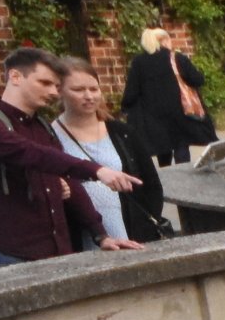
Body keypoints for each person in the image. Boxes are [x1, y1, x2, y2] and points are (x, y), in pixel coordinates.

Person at [0, 47, 143, 269]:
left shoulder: (41, 127)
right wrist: (97, 170)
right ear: (15, 76)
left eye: (57, 86)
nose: (54, 93)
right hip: (7, 254)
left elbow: (69, 181)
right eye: (45, 83)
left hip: (57, 252)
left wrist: (101, 236)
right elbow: (31, 154)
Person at [51, 56, 170, 246]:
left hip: (131, 232)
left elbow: (151, 184)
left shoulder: (122, 132)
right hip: (82, 237)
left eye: (94, 88)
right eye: (78, 90)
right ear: (59, 91)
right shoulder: (50, 137)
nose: (89, 96)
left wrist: (146, 227)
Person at [120, 24, 213, 165]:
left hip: (153, 116)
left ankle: (168, 179)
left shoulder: (138, 62)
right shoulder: (177, 58)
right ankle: (185, 177)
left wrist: (125, 107)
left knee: (163, 150)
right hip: (179, 113)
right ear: (164, 41)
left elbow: (131, 91)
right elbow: (197, 79)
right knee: (181, 146)